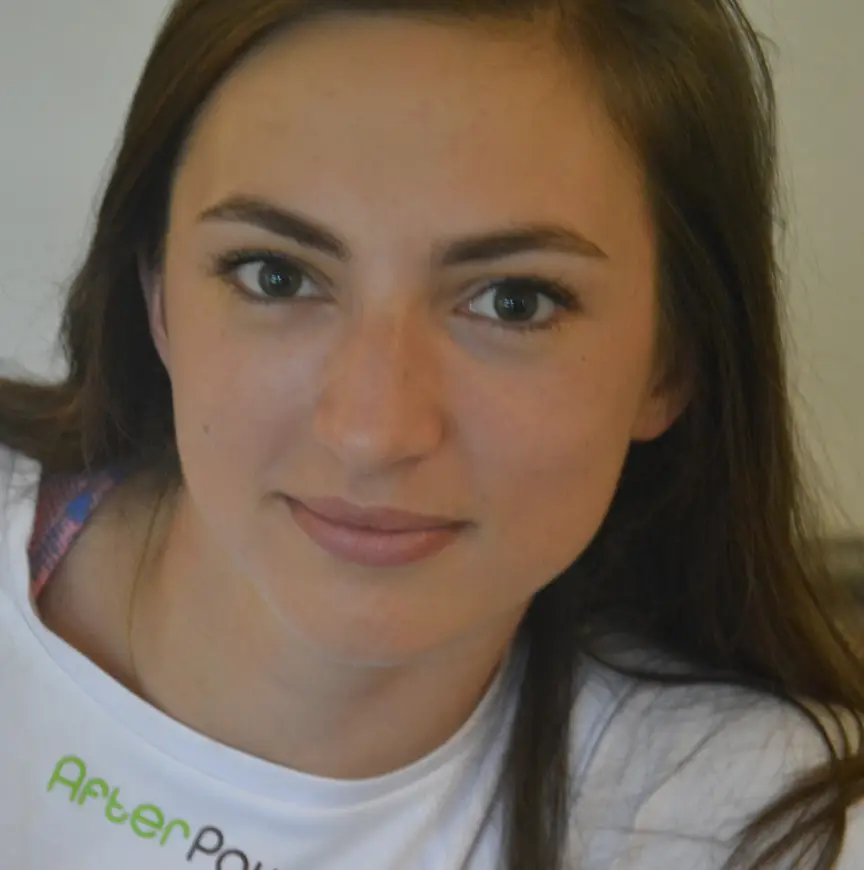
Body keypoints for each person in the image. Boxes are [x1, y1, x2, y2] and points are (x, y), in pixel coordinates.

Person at [0, 0, 862, 867]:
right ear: (157, 297)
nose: (371, 433)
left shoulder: (759, 824)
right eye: (276, 276)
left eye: (513, 302)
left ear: (672, 362)